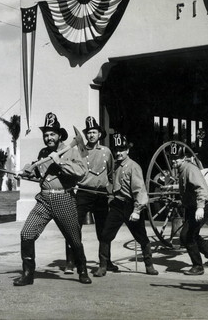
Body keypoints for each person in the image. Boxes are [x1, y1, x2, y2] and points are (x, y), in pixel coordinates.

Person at [14, 112, 92, 286]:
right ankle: (28, 274)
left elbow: (81, 172)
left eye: (52, 134)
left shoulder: (70, 150)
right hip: (44, 200)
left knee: (74, 239)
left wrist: (60, 161)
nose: (48, 138)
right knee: (26, 234)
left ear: (59, 135)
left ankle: (82, 270)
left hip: (63, 198)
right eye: (46, 135)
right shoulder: (43, 152)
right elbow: (38, 170)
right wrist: (25, 171)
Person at [94, 133, 158, 277]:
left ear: (127, 150)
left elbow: (139, 191)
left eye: (122, 149)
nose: (118, 153)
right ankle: (103, 266)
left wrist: (136, 211)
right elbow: (110, 182)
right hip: (117, 206)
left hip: (131, 206)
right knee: (105, 235)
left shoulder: (133, 167)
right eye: (116, 150)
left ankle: (149, 266)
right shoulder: (115, 166)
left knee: (142, 237)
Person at [64, 116, 118, 274]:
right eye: (88, 132)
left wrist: (111, 192)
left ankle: (106, 262)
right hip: (83, 193)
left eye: (94, 132)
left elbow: (111, 174)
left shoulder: (106, 152)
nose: (91, 135)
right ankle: (71, 261)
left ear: (99, 134)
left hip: (100, 194)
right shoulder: (79, 151)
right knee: (74, 227)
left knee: (104, 230)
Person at [169, 142, 208, 276]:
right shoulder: (182, 170)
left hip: (201, 207)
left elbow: (201, 189)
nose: (174, 161)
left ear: (183, 158)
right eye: (172, 158)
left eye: (177, 158)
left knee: (186, 236)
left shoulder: (190, 169)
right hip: (193, 208)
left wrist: (200, 208)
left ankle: (198, 266)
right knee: (194, 235)